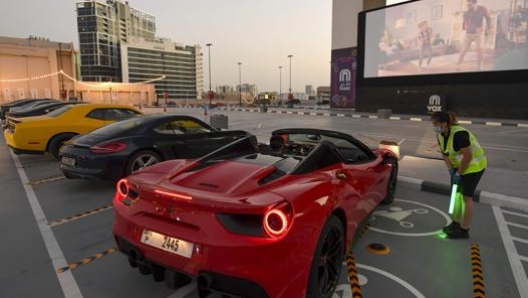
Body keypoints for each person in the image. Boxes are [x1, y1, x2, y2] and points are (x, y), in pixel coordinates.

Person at [431, 111, 487, 239]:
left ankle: (464, 230)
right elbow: (444, 154)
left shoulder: (459, 134)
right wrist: (451, 169)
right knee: (456, 195)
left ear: (444, 123)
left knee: (466, 197)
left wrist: (459, 173)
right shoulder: (440, 134)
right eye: (433, 124)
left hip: (474, 167)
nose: (434, 126)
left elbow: (468, 156)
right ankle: (455, 224)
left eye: (436, 124)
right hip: (458, 168)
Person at [456, 0, 491, 70]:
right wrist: (476, 29)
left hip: (479, 34)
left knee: (480, 49)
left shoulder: (482, 9)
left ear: (475, 3)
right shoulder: (466, 13)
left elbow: (488, 18)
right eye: (467, 5)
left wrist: (488, 28)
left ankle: (479, 65)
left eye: (470, 5)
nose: (468, 7)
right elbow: (468, 24)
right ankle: (458, 63)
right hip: (468, 34)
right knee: (464, 49)